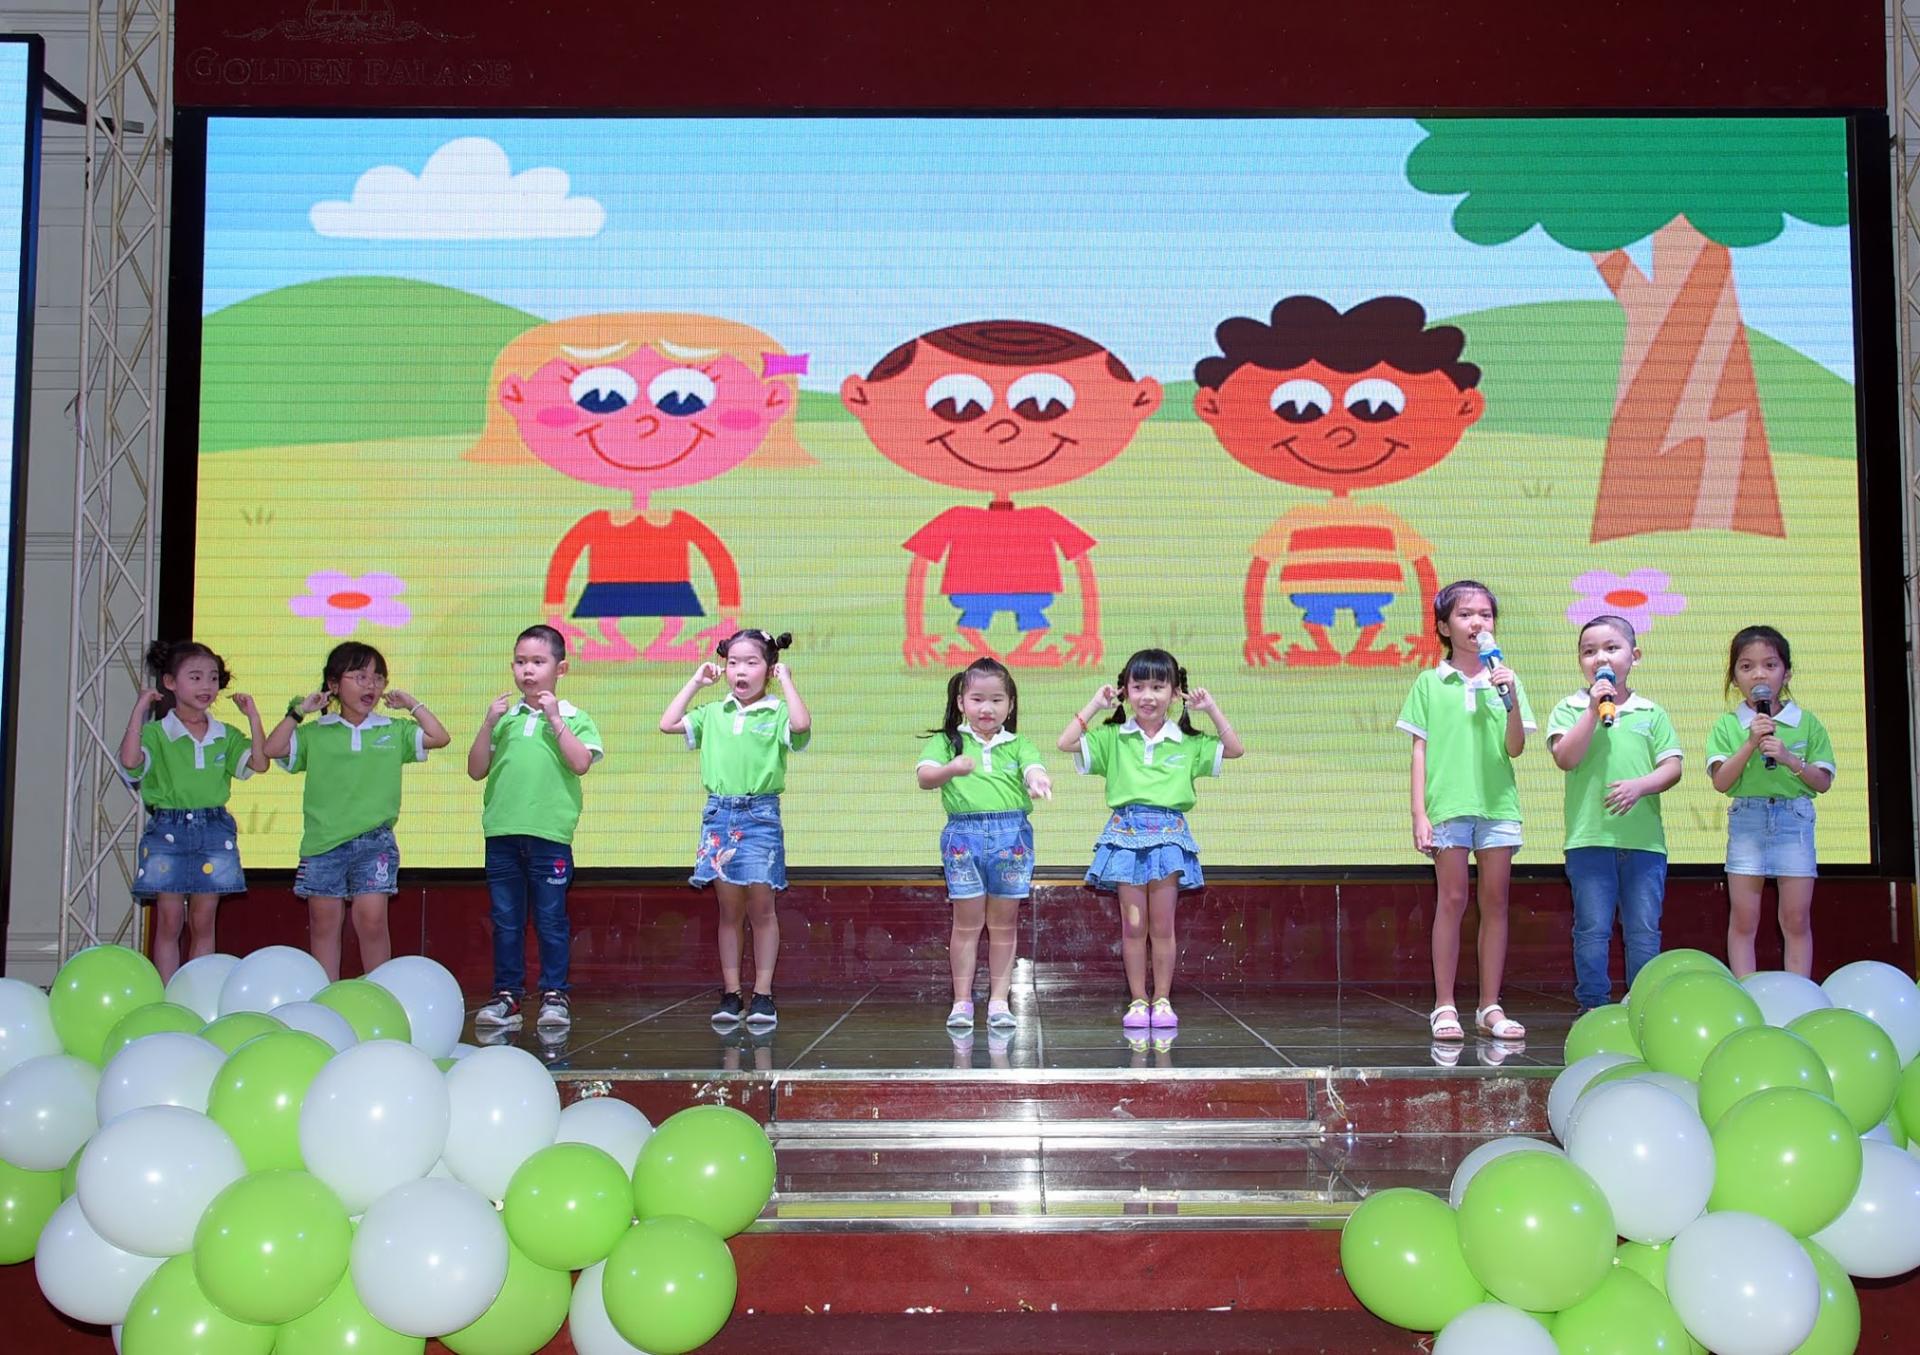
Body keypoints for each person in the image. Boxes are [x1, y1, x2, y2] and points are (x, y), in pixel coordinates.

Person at [469, 312, 809, 662]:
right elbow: (564, 561)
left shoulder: (678, 523)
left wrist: (728, 617)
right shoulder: (599, 523)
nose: (645, 422)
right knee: (609, 620)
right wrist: (554, 615)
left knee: (672, 620)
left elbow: (717, 559)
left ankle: (663, 645)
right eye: (600, 396)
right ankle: (615, 644)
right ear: (515, 396)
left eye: (684, 398)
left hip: (670, 587)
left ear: (774, 400)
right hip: (607, 588)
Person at [841, 319, 1161, 668]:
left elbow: (1082, 563)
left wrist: (1091, 633)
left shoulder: (1041, 518)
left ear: (1141, 400)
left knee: (1030, 618)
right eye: (956, 405)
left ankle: (1021, 651)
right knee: (976, 618)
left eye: (1042, 405)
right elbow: (920, 565)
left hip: (1031, 589)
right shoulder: (960, 518)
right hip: (974, 590)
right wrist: (914, 634)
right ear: (860, 397)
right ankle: (987, 650)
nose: (1003, 428)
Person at [1191, 295, 1485, 668]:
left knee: (1370, 616)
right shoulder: (1299, 519)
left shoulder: (1382, 518)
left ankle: (1363, 649)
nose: (1341, 433)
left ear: (1465, 407)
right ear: (1211, 406)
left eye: (1375, 408)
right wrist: (1255, 633)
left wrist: (1432, 635)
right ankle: (1324, 648)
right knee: (1318, 615)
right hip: (1311, 588)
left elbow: (1423, 567)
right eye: (1298, 408)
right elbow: (1260, 566)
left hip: (1374, 587)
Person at [1058, 649, 1243, 1029]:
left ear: (1175, 693)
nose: (1148, 696)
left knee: (1162, 927)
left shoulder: (1188, 741)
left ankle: (1162, 1000)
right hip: (1125, 840)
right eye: (1138, 686)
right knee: (1133, 926)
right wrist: (1096, 704)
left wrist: (1211, 709)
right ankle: (1138, 1000)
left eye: (1158, 687)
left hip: (1169, 842)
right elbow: (1066, 742)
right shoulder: (1113, 737)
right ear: (1125, 691)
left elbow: (1235, 749)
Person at [264, 642, 450, 980]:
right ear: (334, 684)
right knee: (325, 924)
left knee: (372, 920)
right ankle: (325, 996)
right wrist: (299, 711)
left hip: (375, 842)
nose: (371, 686)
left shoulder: (392, 729)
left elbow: (439, 737)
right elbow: (272, 749)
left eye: (378, 678)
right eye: (360, 677)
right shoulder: (315, 732)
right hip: (324, 844)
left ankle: (379, 992)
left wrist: (411, 704)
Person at [1396, 581, 1532, 1043]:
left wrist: (1510, 699)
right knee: (1451, 900)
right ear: (1443, 627)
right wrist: (1419, 813)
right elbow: (1420, 750)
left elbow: (1516, 746)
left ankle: (1489, 1006)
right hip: (1448, 806)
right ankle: (1445, 1005)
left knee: (1495, 903)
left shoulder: (1507, 678)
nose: (1477, 622)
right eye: (1466, 614)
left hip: (1497, 806)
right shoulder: (1430, 682)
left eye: (1485, 615)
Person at [660, 629, 811, 1028]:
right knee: (729, 910)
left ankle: (763, 994)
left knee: (762, 908)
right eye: (733, 663)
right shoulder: (713, 712)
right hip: (719, 816)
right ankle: (731, 993)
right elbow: (667, 723)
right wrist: (696, 681)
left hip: (760, 816)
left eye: (751, 663)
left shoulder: (777, 711)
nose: (740, 671)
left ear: (770, 668)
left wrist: (787, 681)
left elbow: (800, 725)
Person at [469, 625, 603, 1035]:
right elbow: (476, 769)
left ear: (560, 669)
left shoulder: (575, 717)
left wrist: (555, 719)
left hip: (549, 836)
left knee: (550, 919)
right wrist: (488, 723)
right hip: (502, 833)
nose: (527, 671)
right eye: (520, 662)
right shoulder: (505, 718)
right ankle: (507, 995)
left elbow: (580, 763)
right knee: (506, 920)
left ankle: (554, 994)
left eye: (538, 662)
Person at [1545, 616, 1683, 1012]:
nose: (1600, 658)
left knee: (1644, 931)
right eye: (1589, 652)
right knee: (1592, 929)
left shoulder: (1651, 712)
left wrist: (1640, 786)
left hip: (1644, 843)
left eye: (1611, 648)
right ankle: (1593, 1005)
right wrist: (1592, 710)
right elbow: (1565, 758)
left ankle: (1642, 1005)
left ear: (1634, 655)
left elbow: (1672, 767)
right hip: (1589, 840)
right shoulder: (1570, 708)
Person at [117, 641, 268, 980]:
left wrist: (254, 717)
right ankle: (168, 994)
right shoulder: (157, 733)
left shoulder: (225, 734)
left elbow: (259, 763)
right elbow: (130, 761)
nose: (206, 686)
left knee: (203, 920)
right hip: (168, 830)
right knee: (169, 920)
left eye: (213, 678)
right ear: (170, 682)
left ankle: (198, 991)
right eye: (195, 677)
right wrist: (139, 711)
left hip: (213, 830)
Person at [916, 657, 1052, 1029]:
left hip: (1012, 838)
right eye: (977, 699)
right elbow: (925, 778)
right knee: (966, 924)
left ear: (1010, 704)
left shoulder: (1019, 743)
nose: (986, 708)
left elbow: (1034, 768)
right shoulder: (948, 742)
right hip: (964, 837)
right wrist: (951, 768)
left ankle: (998, 1001)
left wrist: (1038, 780)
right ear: (961, 702)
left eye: (996, 700)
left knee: (1004, 924)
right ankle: (962, 1001)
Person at [1708, 625, 1835, 977]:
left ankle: (1797, 993)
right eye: (1746, 667)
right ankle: (1747, 991)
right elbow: (1721, 781)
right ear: (1734, 678)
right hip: (1747, 820)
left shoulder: (1806, 723)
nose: (1759, 675)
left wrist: (1790, 759)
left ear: (1786, 673)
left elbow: (1823, 781)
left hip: (1795, 821)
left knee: (1795, 919)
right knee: (1744, 918)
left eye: (1770, 665)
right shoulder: (1728, 725)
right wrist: (1751, 742)